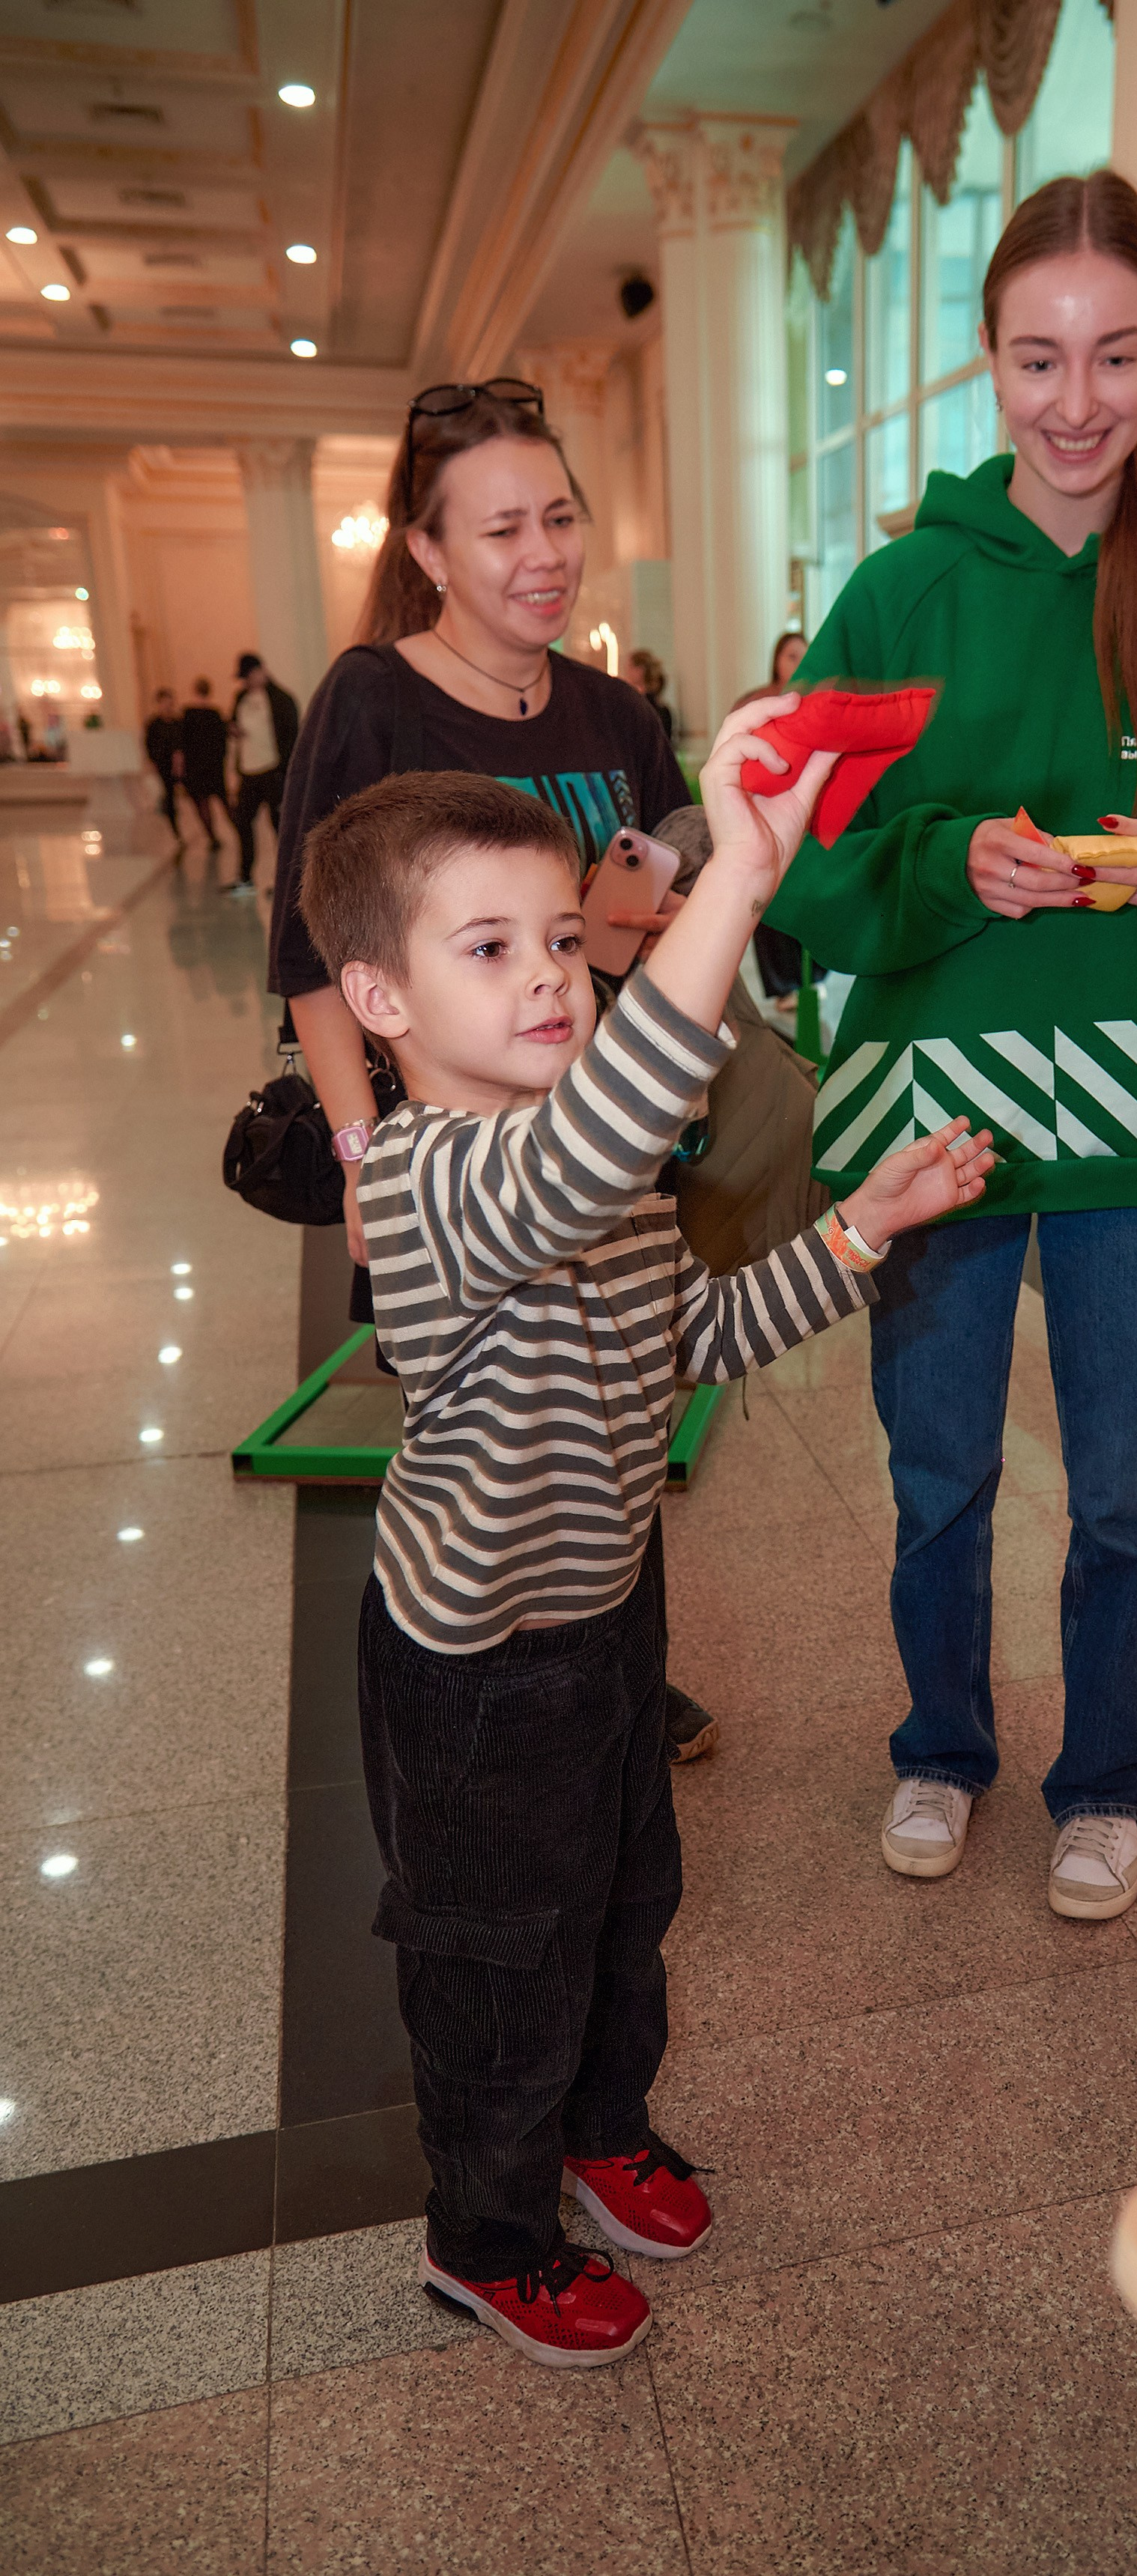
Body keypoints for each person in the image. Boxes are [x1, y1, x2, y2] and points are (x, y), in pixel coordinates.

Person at [298, 747, 993, 2367]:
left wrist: (860, 1228)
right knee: (498, 1957)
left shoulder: (587, 1170)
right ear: (376, 1001)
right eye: (487, 949)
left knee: (622, 1898)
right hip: (473, 1666)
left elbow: (698, 1334)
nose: (547, 974)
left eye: (559, 935)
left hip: (605, 1611)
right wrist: (737, 871)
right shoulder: (429, 1180)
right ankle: (486, 2232)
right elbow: (584, 1155)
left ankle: (600, 2125)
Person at [766, 171, 1137, 1921]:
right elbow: (806, 870)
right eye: (1038, 358)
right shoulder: (897, 593)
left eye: (1113, 355)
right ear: (986, 360)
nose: (1076, 401)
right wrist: (948, 862)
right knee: (937, 1472)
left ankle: (1107, 1781)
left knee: (1126, 1498)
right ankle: (941, 1747)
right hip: (929, 1116)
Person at [267, 377, 715, 1770]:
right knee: (487, 1429)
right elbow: (308, 947)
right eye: (502, 527)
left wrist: (647, 913)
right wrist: (357, 1154)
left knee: (627, 1385)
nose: (543, 554)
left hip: (608, 1125)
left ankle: (614, 1659)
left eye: (561, 517)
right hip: (450, 1166)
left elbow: (646, 923)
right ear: (426, 554)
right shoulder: (372, 699)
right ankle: (491, 1682)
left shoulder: (614, 712)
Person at [736, 634, 815, 1006]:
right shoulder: (755, 703)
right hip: (761, 810)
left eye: (805, 655)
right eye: (791, 655)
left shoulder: (816, 703)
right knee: (769, 899)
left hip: (807, 818)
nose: (798, 663)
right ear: (777, 660)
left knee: (807, 896)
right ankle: (781, 986)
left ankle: (809, 978)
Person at [225, 652, 299, 900]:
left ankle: (287, 882)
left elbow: (292, 737)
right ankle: (245, 878)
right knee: (242, 822)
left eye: (249, 676)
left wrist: (285, 771)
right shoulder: (241, 698)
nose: (246, 682)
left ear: (260, 672)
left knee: (281, 827)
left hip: (273, 771)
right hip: (249, 772)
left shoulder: (281, 700)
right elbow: (234, 724)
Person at [178, 677, 229, 850]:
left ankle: (212, 836)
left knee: (202, 802)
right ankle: (240, 831)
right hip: (213, 764)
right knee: (224, 801)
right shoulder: (215, 714)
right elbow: (223, 742)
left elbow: (182, 743)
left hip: (195, 765)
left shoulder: (188, 714)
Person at [143, 687, 182, 837]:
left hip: (179, 764)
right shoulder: (154, 724)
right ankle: (175, 830)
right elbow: (149, 745)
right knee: (170, 795)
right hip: (164, 764)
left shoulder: (178, 721)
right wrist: (153, 761)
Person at [625, 647, 674, 742]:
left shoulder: (639, 705)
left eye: (630, 667)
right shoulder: (661, 708)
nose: (627, 671)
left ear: (640, 670)